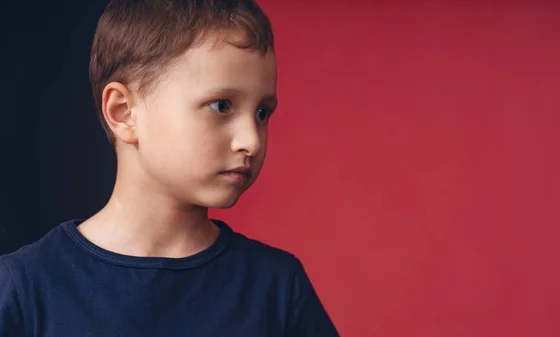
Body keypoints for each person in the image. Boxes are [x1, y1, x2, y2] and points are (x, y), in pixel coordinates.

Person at [0, 0, 340, 336]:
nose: (251, 141)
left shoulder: (278, 289)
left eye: (262, 113)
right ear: (123, 113)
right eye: (221, 106)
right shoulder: (24, 288)